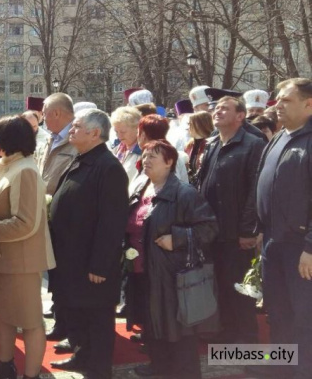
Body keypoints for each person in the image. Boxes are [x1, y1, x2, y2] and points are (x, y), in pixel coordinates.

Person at [47, 109, 129, 379]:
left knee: (96, 319)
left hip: (91, 263)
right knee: (77, 315)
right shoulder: (81, 159)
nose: (71, 129)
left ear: (95, 133)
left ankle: (98, 369)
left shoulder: (108, 168)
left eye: (77, 126)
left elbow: (112, 222)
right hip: (71, 259)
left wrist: (101, 264)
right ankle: (82, 357)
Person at [130, 140, 217, 379]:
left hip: (172, 276)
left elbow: (209, 228)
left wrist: (177, 238)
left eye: (153, 157)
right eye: (145, 155)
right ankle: (160, 369)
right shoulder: (142, 186)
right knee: (153, 330)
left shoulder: (184, 193)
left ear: (169, 163)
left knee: (179, 334)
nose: (146, 160)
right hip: (143, 272)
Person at [250, 78, 312, 378]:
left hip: (301, 248)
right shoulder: (279, 137)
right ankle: (281, 369)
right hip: (273, 242)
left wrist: (310, 247)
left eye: (285, 100)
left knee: (304, 317)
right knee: (278, 314)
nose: (277, 106)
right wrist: (261, 228)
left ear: (308, 104)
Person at [0, 116, 56, 379]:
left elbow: (25, 223)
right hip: (1, 257)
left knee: (29, 321)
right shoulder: (3, 167)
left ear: (7, 141)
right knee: (2, 315)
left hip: (23, 260)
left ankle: (31, 374)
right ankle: (5, 365)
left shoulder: (25, 169)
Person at [196, 96, 265, 344]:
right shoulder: (213, 143)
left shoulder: (253, 144)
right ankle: (226, 332)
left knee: (240, 289)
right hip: (212, 230)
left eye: (225, 108)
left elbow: (254, 191)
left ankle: (246, 340)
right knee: (221, 286)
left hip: (236, 233)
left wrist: (248, 230)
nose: (217, 111)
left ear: (240, 116)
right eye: (216, 108)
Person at [38, 92, 78, 342]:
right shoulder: (48, 140)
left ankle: (69, 326)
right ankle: (60, 319)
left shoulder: (77, 140)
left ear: (56, 113)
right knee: (54, 273)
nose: (42, 118)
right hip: (47, 215)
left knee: (66, 275)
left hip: (66, 218)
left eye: (44, 113)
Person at [136, 114, 189, 183]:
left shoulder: (167, 156)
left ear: (143, 135)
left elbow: (171, 188)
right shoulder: (168, 153)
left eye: (138, 132)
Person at [110, 106, 143, 183]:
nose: (119, 136)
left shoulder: (144, 152)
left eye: (123, 132)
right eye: (116, 132)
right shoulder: (117, 148)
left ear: (137, 129)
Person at [184, 111, 214, 185]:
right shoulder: (189, 145)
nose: (187, 128)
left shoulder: (212, 145)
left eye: (190, 124)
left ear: (200, 125)